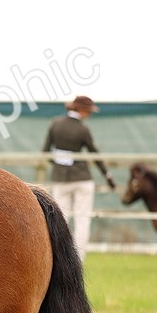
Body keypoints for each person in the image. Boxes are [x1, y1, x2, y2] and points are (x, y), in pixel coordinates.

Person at [42, 95, 115, 261]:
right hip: (82, 179)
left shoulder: (55, 124)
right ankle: (78, 260)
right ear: (81, 110)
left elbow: (46, 151)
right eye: (88, 112)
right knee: (82, 220)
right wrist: (107, 175)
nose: (89, 115)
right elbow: (94, 153)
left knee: (62, 221)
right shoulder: (82, 129)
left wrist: (60, 162)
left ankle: (60, 259)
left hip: (61, 179)